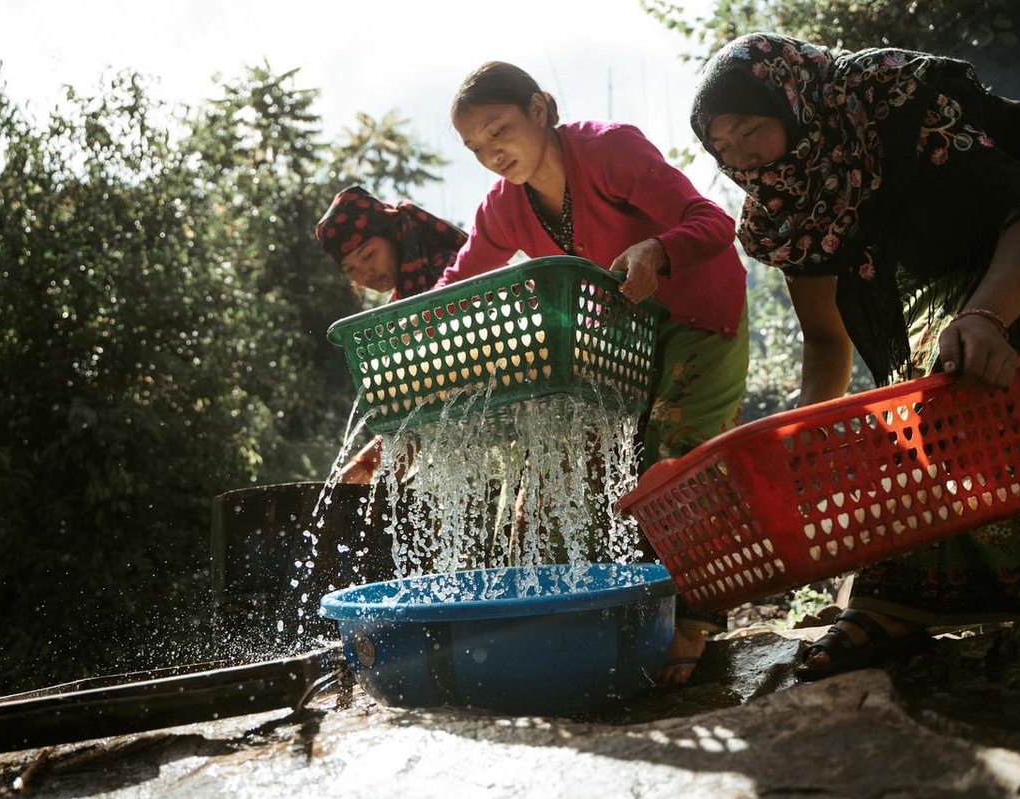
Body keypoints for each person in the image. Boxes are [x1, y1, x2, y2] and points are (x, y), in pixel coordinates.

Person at [690, 32, 1020, 680]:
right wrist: (802, 441)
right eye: (723, 147)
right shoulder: (783, 211)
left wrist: (985, 316)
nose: (742, 156)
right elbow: (826, 337)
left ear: (793, 99)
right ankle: (898, 603)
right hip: (934, 255)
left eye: (750, 129)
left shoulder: (895, 102)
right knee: (934, 390)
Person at [439, 61, 751, 685]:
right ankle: (591, 620)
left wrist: (657, 250)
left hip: (697, 312)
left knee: (677, 462)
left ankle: (692, 625)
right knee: (567, 470)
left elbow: (716, 223)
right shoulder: (502, 208)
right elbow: (458, 281)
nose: (491, 153)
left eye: (499, 129)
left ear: (540, 108)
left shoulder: (609, 151)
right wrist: (399, 334)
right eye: (476, 147)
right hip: (618, 342)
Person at [316, 185, 467, 483]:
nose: (365, 274)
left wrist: (370, 466)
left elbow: (441, 393)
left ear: (394, 235)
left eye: (369, 255)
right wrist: (365, 467)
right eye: (351, 270)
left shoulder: (452, 271)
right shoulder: (398, 314)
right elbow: (416, 413)